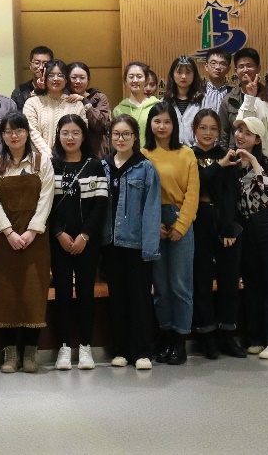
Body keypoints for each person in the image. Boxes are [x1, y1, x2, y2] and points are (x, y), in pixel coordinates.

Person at [0, 112, 54, 374]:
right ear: (2, 136)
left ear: (27, 133)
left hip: (36, 240)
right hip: (6, 241)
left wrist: (31, 232)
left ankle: (30, 353)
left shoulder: (41, 161)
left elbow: (46, 197)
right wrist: (9, 232)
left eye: (19, 130)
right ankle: (10, 353)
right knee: (6, 295)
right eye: (8, 131)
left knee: (32, 294)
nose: (14, 136)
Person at [223, 117, 268, 359]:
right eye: (239, 130)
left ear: (258, 140)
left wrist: (252, 160)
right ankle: (257, 337)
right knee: (252, 282)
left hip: (267, 222)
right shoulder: (231, 162)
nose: (240, 135)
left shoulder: (267, 163)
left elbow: (267, 185)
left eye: (247, 133)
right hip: (245, 225)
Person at [101, 115, 161, 371]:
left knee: (140, 299)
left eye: (126, 134)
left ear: (135, 137)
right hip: (110, 244)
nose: (121, 139)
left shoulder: (145, 168)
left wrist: (150, 247)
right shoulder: (102, 166)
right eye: (116, 134)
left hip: (136, 245)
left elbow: (152, 209)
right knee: (118, 299)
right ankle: (121, 350)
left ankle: (142, 351)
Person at [141, 103, 199, 365]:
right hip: (152, 221)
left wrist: (180, 225)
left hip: (179, 219)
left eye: (167, 121)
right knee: (161, 286)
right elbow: (141, 193)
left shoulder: (186, 154)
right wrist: (152, 225)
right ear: (150, 125)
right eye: (157, 121)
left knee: (180, 284)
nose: (162, 126)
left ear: (174, 125)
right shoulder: (142, 154)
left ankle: (180, 339)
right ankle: (164, 335)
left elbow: (192, 194)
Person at [48, 114, 107, 371]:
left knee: (86, 293)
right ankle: (63, 347)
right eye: (65, 133)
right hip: (59, 241)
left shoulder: (95, 165)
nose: (70, 138)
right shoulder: (51, 166)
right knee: (62, 293)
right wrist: (58, 233)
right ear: (58, 136)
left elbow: (101, 205)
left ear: (84, 136)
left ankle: (85, 346)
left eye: (75, 133)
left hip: (87, 242)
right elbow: (45, 205)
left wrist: (85, 235)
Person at [189, 109, 243, 359]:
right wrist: (217, 167)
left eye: (213, 128)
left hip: (224, 220)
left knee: (229, 281)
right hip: (198, 220)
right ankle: (206, 335)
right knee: (201, 281)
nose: (208, 133)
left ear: (219, 132)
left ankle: (227, 334)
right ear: (194, 130)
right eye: (203, 128)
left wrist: (228, 227)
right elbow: (195, 184)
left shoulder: (227, 155)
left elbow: (232, 193)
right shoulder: (188, 155)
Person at [22, 59, 85, 156]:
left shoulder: (76, 104)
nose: (56, 79)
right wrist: (50, 156)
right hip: (40, 159)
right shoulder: (32, 103)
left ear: (66, 80)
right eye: (51, 75)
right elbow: (32, 132)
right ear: (44, 78)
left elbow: (81, 133)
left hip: (70, 159)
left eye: (60, 75)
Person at [66, 61, 111, 157]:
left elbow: (98, 123)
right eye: (74, 78)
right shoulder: (63, 99)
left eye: (82, 78)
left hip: (96, 153)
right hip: (69, 154)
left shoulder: (99, 98)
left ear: (88, 80)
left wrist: (84, 101)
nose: (78, 81)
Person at [221, 48, 263, 149]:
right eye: (241, 66)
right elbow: (223, 136)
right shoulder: (228, 100)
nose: (245, 70)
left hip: (263, 154)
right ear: (236, 71)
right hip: (236, 155)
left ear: (258, 68)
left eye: (249, 66)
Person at [112, 62, 160, 143]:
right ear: (126, 81)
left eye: (139, 76)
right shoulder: (118, 110)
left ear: (146, 80)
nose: (135, 80)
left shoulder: (157, 106)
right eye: (131, 77)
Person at [161, 55, 204, 145]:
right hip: (171, 150)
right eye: (179, 72)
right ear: (172, 74)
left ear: (194, 75)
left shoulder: (203, 100)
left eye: (188, 72)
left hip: (197, 151)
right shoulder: (165, 101)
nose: (183, 76)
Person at [11, 45, 53, 111]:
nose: (41, 67)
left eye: (45, 63)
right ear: (30, 65)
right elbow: (16, 116)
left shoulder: (58, 88)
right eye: (37, 63)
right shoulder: (21, 91)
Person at [200, 49, 232, 114]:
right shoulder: (198, 92)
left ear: (228, 69)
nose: (217, 67)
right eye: (213, 63)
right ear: (206, 66)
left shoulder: (234, 93)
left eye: (222, 64)